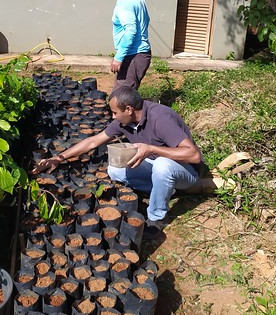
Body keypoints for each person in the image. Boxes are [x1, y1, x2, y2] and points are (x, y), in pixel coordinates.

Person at [34, 86, 203, 240]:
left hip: (186, 170)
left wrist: (151, 149)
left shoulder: (160, 118)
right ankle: (163, 190)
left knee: (162, 166)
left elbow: (193, 155)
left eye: (115, 112)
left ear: (129, 109)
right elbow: (93, 141)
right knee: (115, 169)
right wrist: (58, 158)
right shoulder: (124, 122)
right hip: (156, 163)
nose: (113, 116)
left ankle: (156, 219)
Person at [101, 0, 151, 91]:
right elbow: (147, 19)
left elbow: (130, 31)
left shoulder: (125, 1)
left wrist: (118, 58)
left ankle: (152, 109)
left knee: (120, 100)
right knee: (125, 97)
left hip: (133, 55)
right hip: (138, 54)